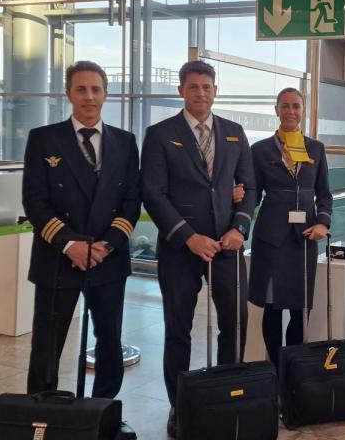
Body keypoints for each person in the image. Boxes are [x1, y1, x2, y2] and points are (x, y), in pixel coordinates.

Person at [140, 60, 256, 438]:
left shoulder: (235, 133)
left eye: (207, 87)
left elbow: (249, 187)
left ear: (215, 91)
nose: (200, 93)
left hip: (227, 246)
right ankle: (180, 406)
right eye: (193, 87)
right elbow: (153, 194)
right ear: (181, 91)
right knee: (178, 329)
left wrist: (240, 227)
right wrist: (188, 236)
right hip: (180, 249)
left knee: (234, 324)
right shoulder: (160, 134)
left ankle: (227, 397)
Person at [23, 60, 141, 401]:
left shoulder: (125, 142)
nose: (89, 96)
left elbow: (132, 200)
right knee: (47, 345)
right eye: (81, 89)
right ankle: (42, 414)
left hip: (107, 259)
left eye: (95, 89)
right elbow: (35, 201)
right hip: (57, 259)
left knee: (109, 342)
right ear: (68, 93)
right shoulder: (43, 139)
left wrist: (107, 245)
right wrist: (69, 244)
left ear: (105, 94)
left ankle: (102, 412)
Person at [248, 88, 333, 368]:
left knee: (299, 309)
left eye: (296, 106)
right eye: (285, 106)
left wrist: (322, 222)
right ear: (276, 110)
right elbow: (252, 194)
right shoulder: (260, 150)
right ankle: (275, 368)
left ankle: (292, 369)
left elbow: (325, 194)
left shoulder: (316, 148)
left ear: (303, 110)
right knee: (272, 308)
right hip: (271, 238)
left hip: (304, 239)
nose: (291, 112)